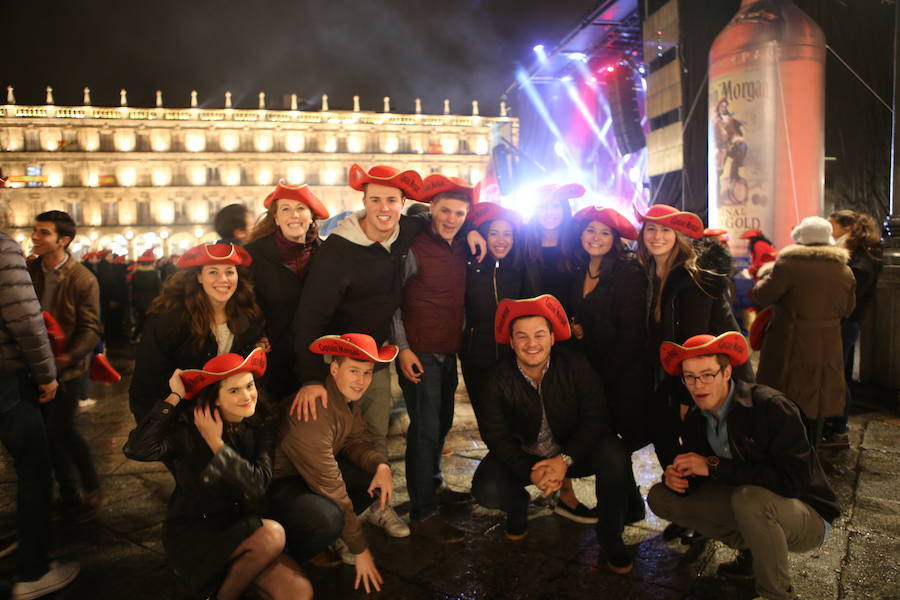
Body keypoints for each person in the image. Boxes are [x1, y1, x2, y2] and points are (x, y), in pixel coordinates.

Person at [649, 332, 839, 600]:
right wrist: (678, 477)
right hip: (750, 505)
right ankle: (755, 550)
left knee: (750, 499)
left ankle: (776, 594)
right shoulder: (696, 417)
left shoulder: (770, 407)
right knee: (660, 497)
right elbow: (701, 478)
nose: (697, 385)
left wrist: (714, 466)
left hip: (807, 514)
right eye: (689, 377)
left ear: (727, 373)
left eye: (707, 375)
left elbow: (793, 482)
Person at [124, 348, 312, 600]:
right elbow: (137, 449)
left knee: (299, 592)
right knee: (273, 534)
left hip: (247, 530)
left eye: (249, 386)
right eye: (234, 390)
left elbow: (258, 483)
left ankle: (228, 583)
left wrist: (218, 445)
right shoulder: (188, 428)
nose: (247, 396)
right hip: (198, 533)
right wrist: (175, 397)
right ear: (215, 398)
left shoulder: (261, 424)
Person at [472, 295, 633, 574]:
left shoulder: (576, 365)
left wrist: (564, 459)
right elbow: (495, 436)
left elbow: (596, 417)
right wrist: (530, 471)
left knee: (615, 454)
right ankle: (518, 506)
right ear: (511, 342)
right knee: (485, 489)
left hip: (572, 452)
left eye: (539, 334)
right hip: (525, 456)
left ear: (552, 338)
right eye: (521, 336)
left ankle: (610, 533)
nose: (531, 344)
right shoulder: (495, 379)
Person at [270, 334, 404, 594]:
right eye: (354, 370)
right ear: (334, 368)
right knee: (329, 519)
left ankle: (336, 533)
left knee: (372, 477)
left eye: (367, 372)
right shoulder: (314, 410)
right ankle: (280, 556)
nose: (361, 381)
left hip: (311, 475)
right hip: (279, 484)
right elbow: (332, 487)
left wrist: (381, 465)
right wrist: (360, 548)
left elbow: (357, 440)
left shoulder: (343, 396)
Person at [392, 173, 476, 542]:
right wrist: (403, 349)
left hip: (448, 348)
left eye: (459, 213)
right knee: (425, 430)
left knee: (440, 423)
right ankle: (423, 510)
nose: (451, 219)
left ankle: (434, 484)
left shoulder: (462, 243)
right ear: (431, 209)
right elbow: (392, 301)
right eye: (445, 211)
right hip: (420, 350)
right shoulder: (412, 244)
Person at [1, 231, 80, 599]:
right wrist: (46, 374)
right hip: (5, 377)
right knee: (33, 468)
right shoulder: (2, 247)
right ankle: (32, 570)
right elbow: (24, 316)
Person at [567, 206, 649, 525]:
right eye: (590, 230)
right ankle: (629, 505)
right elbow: (587, 316)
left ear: (615, 239)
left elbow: (631, 333)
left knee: (614, 442)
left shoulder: (628, 271)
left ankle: (616, 510)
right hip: (594, 370)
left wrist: (602, 378)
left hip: (621, 375)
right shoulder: (581, 267)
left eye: (604, 232)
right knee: (609, 442)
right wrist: (579, 329)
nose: (595, 237)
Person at [129, 243, 265, 423]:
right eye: (213, 272)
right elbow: (147, 379)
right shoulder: (168, 319)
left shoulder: (248, 316)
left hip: (230, 416)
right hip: (180, 418)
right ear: (199, 277)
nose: (223, 279)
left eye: (230, 272)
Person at [751, 216, 856, 448]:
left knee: (786, 391)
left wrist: (763, 278)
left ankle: (787, 447)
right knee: (819, 393)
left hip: (790, 339)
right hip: (829, 343)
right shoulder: (844, 270)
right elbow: (849, 308)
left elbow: (762, 295)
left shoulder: (788, 265)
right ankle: (815, 443)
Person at [27, 210, 104, 521]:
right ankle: (70, 493)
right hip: (33, 365)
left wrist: (68, 357)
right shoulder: (28, 269)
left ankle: (91, 488)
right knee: (46, 434)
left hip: (66, 368)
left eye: (43, 232)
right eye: (36, 230)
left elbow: (91, 327)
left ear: (63, 240)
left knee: (62, 429)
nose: (35, 237)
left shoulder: (82, 278)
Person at [246, 180, 329, 401]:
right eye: (286, 209)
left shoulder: (328, 255)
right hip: (273, 362)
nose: (294, 214)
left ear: (311, 215)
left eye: (300, 208)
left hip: (317, 360)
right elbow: (243, 303)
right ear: (276, 218)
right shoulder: (253, 255)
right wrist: (256, 335)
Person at [459, 202, 538, 417]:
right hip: (476, 355)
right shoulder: (469, 264)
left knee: (514, 414)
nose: (501, 240)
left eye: (507, 234)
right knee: (484, 414)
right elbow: (448, 223)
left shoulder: (521, 268)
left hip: (514, 356)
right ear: (483, 236)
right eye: (494, 233)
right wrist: (469, 230)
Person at [822, 210, 883, 448]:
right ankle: (835, 424)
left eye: (832, 225)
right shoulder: (862, 251)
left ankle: (838, 429)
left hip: (845, 321)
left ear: (846, 228)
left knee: (837, 376)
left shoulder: (857, 256)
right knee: (840, 374)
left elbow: (852, 292)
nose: (830, 230)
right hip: (849, 321)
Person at [522, 183, 583, 308]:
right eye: (543, 207)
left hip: (572, 322)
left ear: (564, 209)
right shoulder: (524, 241)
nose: (549, 213)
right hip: (536, 321)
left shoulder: (578, 240)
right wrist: (471, 230)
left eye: (556, 206)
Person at [130, 249, 162, 344]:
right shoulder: (154, 274)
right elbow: (158, 288)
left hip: (139, 300)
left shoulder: (136, 274)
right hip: (152, 299)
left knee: (140, 319)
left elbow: (133, 288)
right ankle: (149, 338)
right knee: (151, 319)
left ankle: (134, 337)